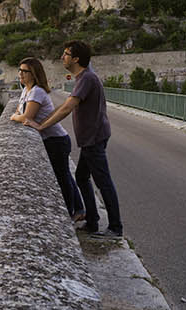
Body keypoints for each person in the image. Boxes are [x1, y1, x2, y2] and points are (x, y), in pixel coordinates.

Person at [28, 40, 122, 239]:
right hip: (91, 139)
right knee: (81, 177)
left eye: (66, 54)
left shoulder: (87, 78)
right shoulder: (83, 78)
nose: (62, 57)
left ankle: (115, 228)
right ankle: (93, 222)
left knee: (103, 182)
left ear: (76, 59)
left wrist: (41, 125)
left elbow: (66, 107)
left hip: (94, 139)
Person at [9, 57, 85, 224]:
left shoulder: (37, 91)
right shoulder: (26, 90)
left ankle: (71, 213)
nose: (20, 74)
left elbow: (26, 116)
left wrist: (15, 117)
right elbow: (20, 110)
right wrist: (18, 115)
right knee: (65, 175)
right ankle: (79, 210)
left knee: (62, 177)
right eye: (20, 70)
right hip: (54, 140)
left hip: (56, 141)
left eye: (24, 71)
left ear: (34, 74)